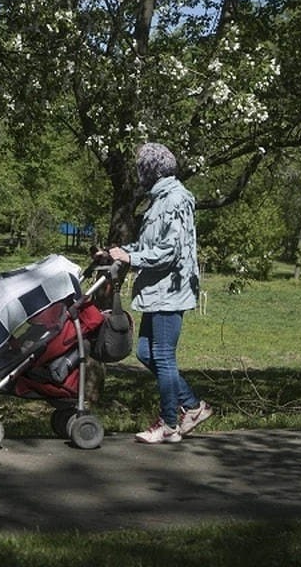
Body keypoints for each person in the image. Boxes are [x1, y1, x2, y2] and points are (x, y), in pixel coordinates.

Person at [107, 143, 212, 444]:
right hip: (157, 289)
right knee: (145, 352)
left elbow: (169, 251)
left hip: (170, 289)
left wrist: (131, 258)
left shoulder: (176, 199)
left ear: (151, 171)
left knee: (164, 356)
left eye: (141, 168)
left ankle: (169, 424)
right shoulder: (159, 201)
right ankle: (192, 405)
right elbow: (149, 246)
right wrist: (120, 251)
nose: (139, 174)